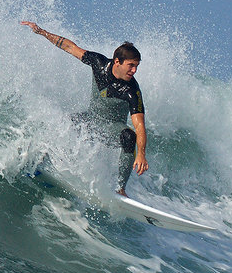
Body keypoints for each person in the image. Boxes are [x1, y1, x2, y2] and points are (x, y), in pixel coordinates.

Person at [20, 20, 147, 195]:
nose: (134, 71)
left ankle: (120, 189)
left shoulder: (132, 90)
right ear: (117, 61)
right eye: (131, 65)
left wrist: (140, 154)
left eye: (136, 66)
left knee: (128, 136)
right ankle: (41, 160)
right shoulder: (98, 63)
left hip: (111, 128)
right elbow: (70, 47)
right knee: (65, 123)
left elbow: (139, 125)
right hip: (91, 119)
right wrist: (42, 32)